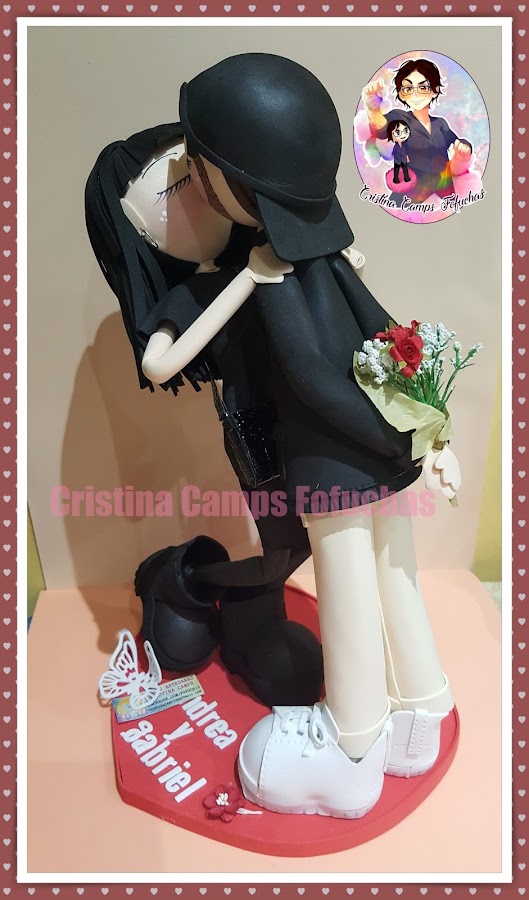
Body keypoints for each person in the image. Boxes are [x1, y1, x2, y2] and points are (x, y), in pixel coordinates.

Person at [139, 53, 461, 818]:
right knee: (394, 578)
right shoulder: (321, 261)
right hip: (381, 445)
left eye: (197, 169)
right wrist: (425, 429)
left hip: (333, 461)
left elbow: (324, 371)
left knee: (352, 592)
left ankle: (349, 749)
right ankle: (420, 710)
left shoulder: (285, 270)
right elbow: (386, 334)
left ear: (235, 182)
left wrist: (420, 433)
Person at [84, 123, 324, 709]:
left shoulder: (263, 256)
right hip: (255, 428)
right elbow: (158, 363)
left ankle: (245, 607)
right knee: (287, 545)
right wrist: (246, 280)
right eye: (172, 193)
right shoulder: (196, 293)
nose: (198, 198)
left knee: (318, 535)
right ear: (138, 231)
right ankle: (186, 577)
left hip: (304, 415)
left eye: (199, 178)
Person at [363, 57, 472, 203]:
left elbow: (457, 143)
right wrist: (373, 109)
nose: (415, 95)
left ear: (435, 90)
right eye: (408, 89)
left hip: (444, 192)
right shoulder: (399, 117)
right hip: (411, 195)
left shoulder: (440, 123)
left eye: (423, 88)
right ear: (401, 93)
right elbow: (382, 128)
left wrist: (464, 149)